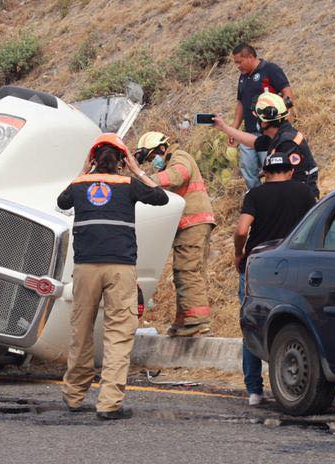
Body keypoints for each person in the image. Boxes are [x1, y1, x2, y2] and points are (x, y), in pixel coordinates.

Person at [57, 133, 169, 420]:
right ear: (122, 160)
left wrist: (84, 170)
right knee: (118, 334)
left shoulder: (80, 185)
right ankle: (109, 404)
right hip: (120, 268)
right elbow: (161, 197)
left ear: (94, 159)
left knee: (80, 332)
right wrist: (137, 169)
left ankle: (74, 396)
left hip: (85, 268)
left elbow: (61, 202)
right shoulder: (128, 183)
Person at [234, 144, 316, 406]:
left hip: (258, 266)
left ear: (265, 172)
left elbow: (241, 229)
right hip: (295, 266)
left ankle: (255, 391)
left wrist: (239, 254)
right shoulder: (304, 192)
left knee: (252, 324)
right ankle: (294, 383)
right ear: (290, 171)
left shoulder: (255, 195)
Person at [137, 131, 216, 337]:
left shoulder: (179, 157)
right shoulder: (170, 161)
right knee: (184, 271)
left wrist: (145, 179)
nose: (150, 162)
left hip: (193, 222)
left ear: (162, 149)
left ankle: (197, 322)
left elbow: (178, 175)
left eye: (150, 156)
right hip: (190, 224)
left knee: (187, 270)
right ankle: (185, 320)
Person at [214, 92, 320, 199]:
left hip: (300, 201)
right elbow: (254, 142)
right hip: (293, 197)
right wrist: (224, 127)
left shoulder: (286, 143)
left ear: (264, 123)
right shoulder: (279, 135)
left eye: (258, 119)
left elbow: (283, 182)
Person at [230, 43, 295, 190]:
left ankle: (275, 197)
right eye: (236, 63)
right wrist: (234, 129)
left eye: (239, 62)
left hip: (269, 132)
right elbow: (241, 103)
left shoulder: (270, 69)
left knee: (271, 168)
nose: (237, 66)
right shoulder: (242, 77)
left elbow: (288, 93)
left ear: (251, 57)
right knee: (248, 169)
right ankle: (256, 197)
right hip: (248, 132)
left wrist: (285, 122)